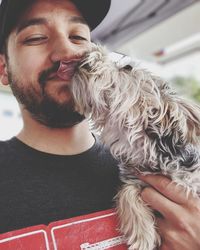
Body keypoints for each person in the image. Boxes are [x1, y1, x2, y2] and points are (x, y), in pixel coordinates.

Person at [0, 0, 199, 249]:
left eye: (78, 36)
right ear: (4, 67)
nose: (66, 52)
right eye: (36, 37)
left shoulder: (165, 168)